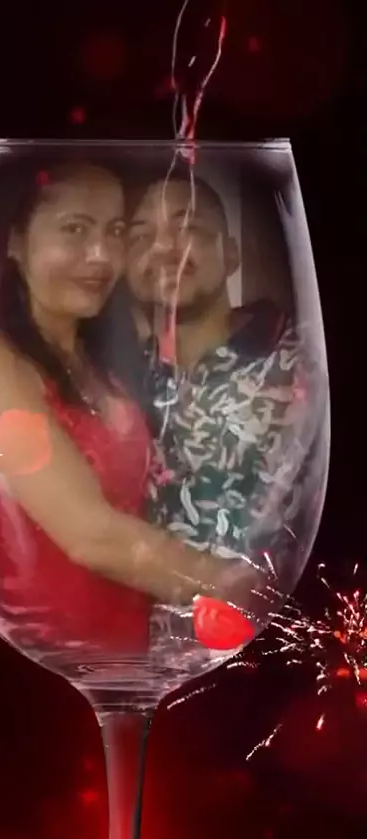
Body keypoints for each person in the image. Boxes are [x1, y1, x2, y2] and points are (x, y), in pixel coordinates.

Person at [0, 155, 260, 655]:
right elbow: (89, 534)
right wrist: (227, 581)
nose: (101, 255)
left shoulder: (107, 365)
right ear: (14, 241)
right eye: (75, 229)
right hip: (39, 669)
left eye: (114, 232)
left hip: (137, 662)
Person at [125, 166, 309, 572]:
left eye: (188, 227)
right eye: (140, 236)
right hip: (138, 608)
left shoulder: (296, 363)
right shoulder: (118, 378)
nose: (163, 247)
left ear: (231, 254)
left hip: (269, 606)